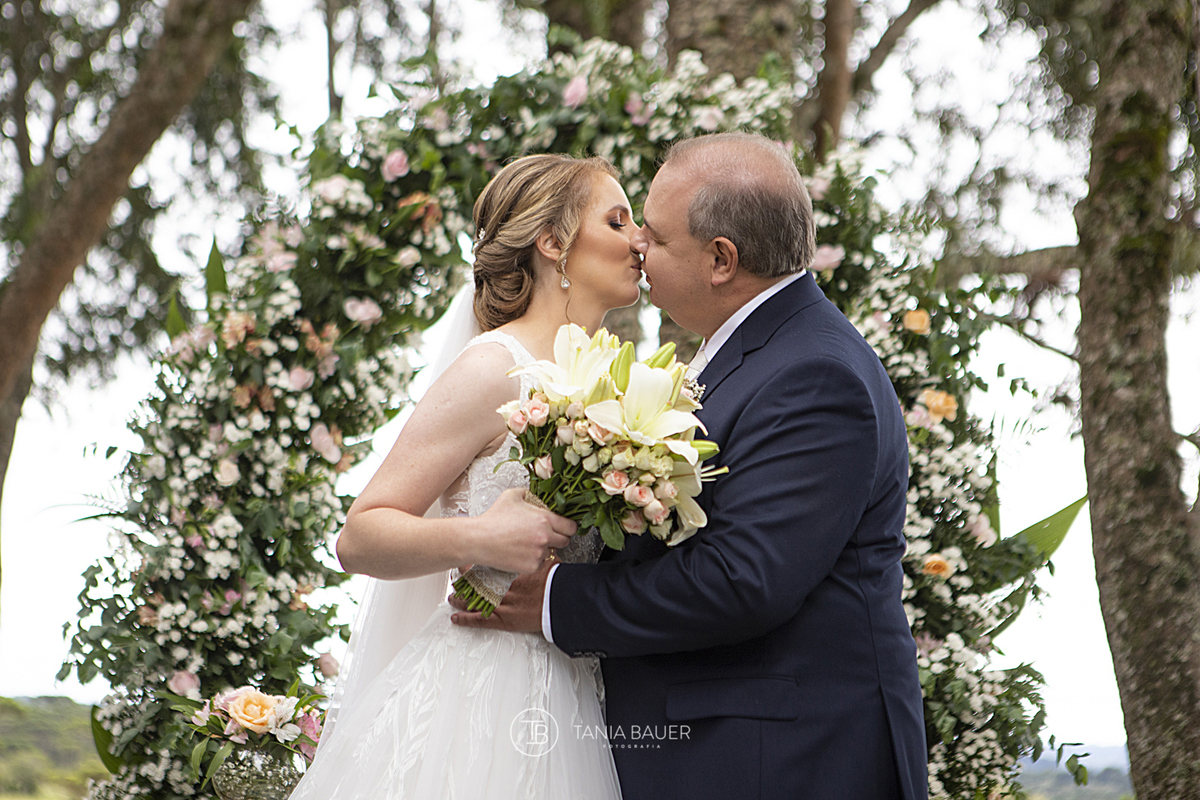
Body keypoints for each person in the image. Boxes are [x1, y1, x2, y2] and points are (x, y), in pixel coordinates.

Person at [451, 132, 929, 800]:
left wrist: (558, 600)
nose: (638, 245)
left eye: (656, 234)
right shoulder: (754, 353)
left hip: (779, 761)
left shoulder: (814, 374)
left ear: (721, 260)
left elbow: (744, 579)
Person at [289, 153, 643, 799]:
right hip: (477, 699)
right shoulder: (494, 366)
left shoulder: (620, 387)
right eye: (617, 220)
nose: (639, 240)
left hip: (578, 695)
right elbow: (360, 536)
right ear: (553, 241)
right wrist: (482, 538)